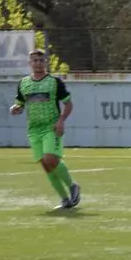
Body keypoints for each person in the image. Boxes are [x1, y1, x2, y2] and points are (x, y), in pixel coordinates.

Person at [10, 49, 80, 209]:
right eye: (34, 60)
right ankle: (64, 199)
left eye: (41, 60)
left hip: (51, 127)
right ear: (30, 63)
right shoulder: (23, 83)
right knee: (46, 165)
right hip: (33, 129)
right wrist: (15, 108)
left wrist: (61, 120)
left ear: (45, 62)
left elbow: (68, 104)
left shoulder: (54, 82)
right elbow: (20, 104)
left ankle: (73, 186)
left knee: (50, 159)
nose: (38, 63)